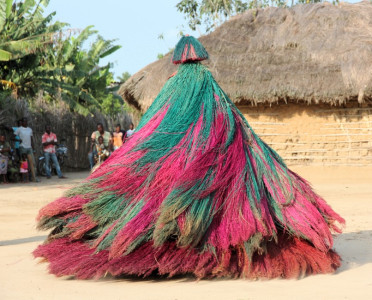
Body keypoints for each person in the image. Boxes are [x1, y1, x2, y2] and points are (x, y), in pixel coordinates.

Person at [34, 36, 344, 279]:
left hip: (181, 162)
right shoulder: (210, 86)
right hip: (210, 158)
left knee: (162, 202)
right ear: (200, 56)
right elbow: (231, 122)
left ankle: (162, 243)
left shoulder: (173, 87)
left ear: (178, 60)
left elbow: (152, 129)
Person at [14, 117, 39, 182]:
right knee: (24, 163)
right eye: (24, 121)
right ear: (22, 122)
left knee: (32, 163)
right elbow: (12, 137)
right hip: (22, 147)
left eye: (26, 121)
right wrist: (18, 140)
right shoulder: (19, 129)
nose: (25, 123)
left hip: (29, 148)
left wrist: (33, 149)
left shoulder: (30, 129)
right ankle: (24, 178)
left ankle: (34, 178)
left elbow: (31, 139)